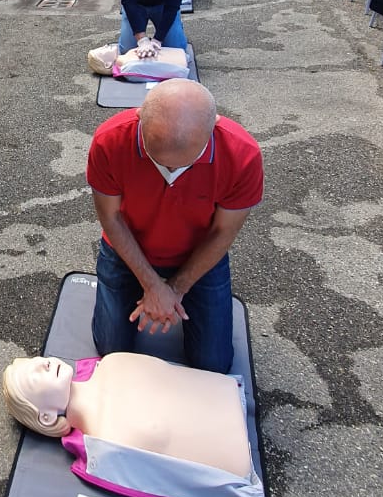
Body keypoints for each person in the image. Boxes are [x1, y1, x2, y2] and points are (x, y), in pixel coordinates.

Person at [86, 79, 263, 373]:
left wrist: (175, 291)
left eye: (184, 165)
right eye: (158, 161)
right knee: (111, 350)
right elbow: (111, 218)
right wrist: (153, 286)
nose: (170, 173)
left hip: (198, 254)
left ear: (214, 127)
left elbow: (223, 233)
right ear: (139, 116)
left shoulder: (243, 155)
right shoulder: (110, 139)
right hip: (127, 247)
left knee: (213, 363)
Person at [2, 353, 252, 478]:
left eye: (39, 359)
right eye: (34, 377)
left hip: (223, 393)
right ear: (46, 417)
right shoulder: (106, 441)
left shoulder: (110, 362)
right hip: (234, 455)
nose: (43, 363)